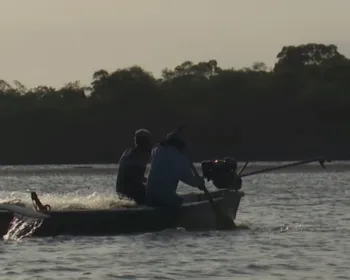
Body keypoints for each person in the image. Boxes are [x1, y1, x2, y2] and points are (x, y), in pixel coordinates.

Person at [145, 131, 204, 208]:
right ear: (180, 145)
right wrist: (199, 183)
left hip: (149, 196)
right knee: (177, 201)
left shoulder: (156, 151)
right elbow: (188, 178)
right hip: (164, 198)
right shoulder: (179, 158)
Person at [116, 129, 152, 204]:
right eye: (148, 140)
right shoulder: (141, 155)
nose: (150, 143)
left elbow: (132, 176)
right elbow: (137, 179)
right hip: (132, 193)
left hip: (120, 192)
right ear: (144, 141)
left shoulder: (126, 152)